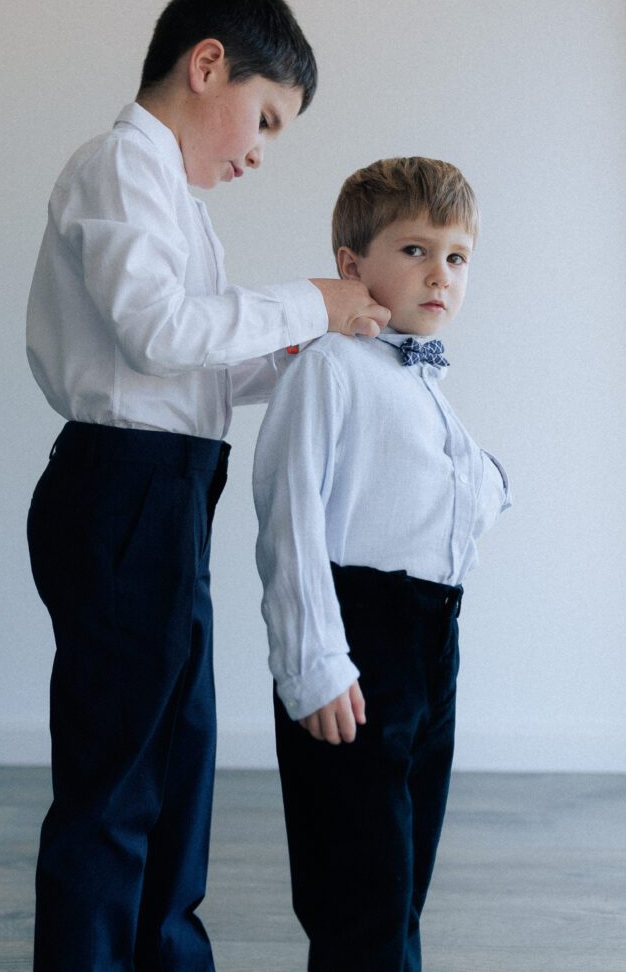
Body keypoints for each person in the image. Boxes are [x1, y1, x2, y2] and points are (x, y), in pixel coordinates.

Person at [25, 0, 389, 972]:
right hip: (122, 492)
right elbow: (158, 333)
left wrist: (321, 340)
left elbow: (202, 368)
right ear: (208, 64)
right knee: (118, 780)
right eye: (265, 120)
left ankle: (166, 959)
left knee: (179, 764)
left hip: (169, 493)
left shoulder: (173, 199)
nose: (260, 154)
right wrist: (309, 302)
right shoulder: (120, 167)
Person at [254, 156, 511, 971]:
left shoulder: (422, 377)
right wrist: (315, 662)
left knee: (405, 873)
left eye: (458, 256)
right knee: (358, 878)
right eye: (416, 250)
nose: (441, 273)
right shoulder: (329, 364)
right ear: (351, 266)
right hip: (358, 639)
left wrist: (492, 480)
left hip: (434, 640)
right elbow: (288, 515)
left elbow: (455, 485)